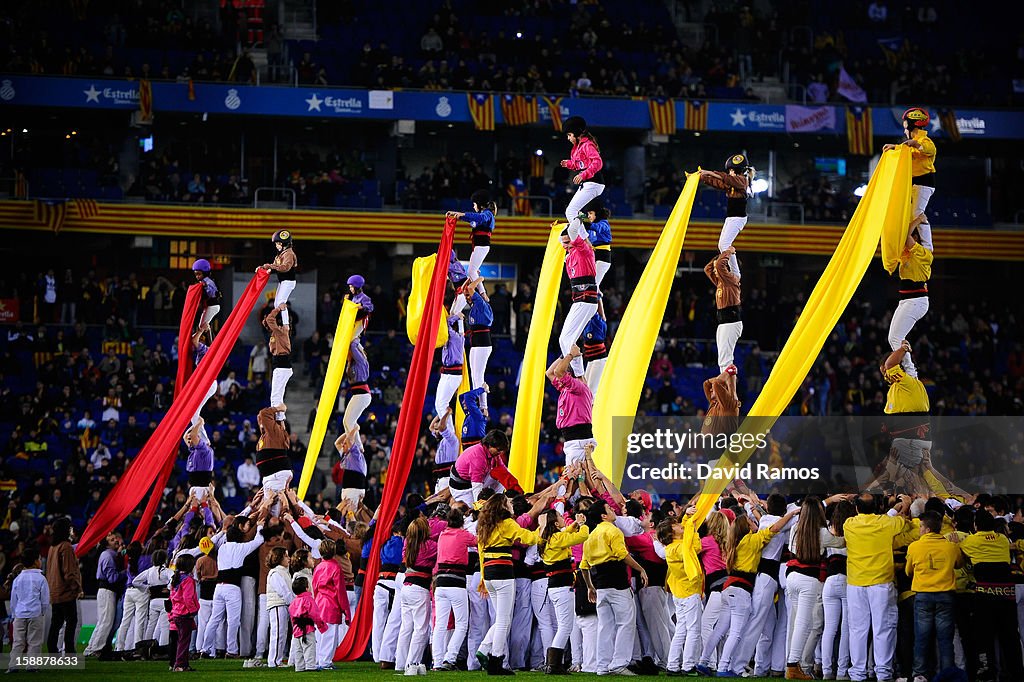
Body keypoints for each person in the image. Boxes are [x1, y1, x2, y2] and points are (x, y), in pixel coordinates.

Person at [697, 505, 800, 677]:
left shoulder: (734, 543)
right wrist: (791, 514)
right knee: (736, 632)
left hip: (727, 588)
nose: (754, 523)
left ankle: (703, 661)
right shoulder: (751, 541)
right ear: (746, 528)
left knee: (719, 629)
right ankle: (723, 667)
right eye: (751, 522)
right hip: (741, 590)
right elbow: (774, 528)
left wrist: (759, 513)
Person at [842, 493, 912, 682]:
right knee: (884, 628)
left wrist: (896, 509)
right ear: (876, 508)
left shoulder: (849, 524)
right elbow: (902, 521)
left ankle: (857, 673)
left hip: (856, 583)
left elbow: (890, 518)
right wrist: (905, 505)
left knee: (857, 629)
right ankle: (883, 673)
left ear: (857, 509)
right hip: (881, 583)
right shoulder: (886, 523)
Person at [580, 498, 649, 676]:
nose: (613, 511)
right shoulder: (613, 531)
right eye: (609, 509)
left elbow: (584, 566)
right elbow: (622, 555)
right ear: (604, 516)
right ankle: (619, 664)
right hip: (617, 583)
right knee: (626, 623)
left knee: (605, 626)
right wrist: (640, 569)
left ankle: (602, 666)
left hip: (600, 585)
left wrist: (589, 587)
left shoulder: (590, 536)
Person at [475, 493, 543, 675]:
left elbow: (481, 553)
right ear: (503, 506)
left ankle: (484, 649)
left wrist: (483, 578)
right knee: (505, 620)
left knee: (500, 618)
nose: (512, 504)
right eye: (509, 502)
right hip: (503, 571)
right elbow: (528, 538)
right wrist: (542, 529)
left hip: (489, 573)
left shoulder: (483, 526)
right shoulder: (507, 523)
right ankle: (496, 661)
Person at [956, 509, 1023, 680]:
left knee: (984, 637)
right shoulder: (1002, 539)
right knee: (1010, 637)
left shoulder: (970, 541)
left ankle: (987, 673)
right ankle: (1016, 673)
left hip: (985, 596)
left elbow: (959, 561)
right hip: (1007, 595)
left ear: (975, 525)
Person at [785, 496, 847, 679]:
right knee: (805, 624)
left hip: (791, 577)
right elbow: (841, 543)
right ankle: (792, 666)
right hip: (808, 580)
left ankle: (792, 663)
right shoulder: (822, 533)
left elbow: (791, 548)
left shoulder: (796, 528)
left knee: (796, 623)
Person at [203, 498, 269, 658]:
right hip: (232, 588)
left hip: (218, 588)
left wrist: (221, 532)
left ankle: (205, 649)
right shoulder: (241, 547)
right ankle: (231, 651)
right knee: (234, 621)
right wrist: (260, 525)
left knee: (214, 620)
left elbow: (205, 545)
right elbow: (259, 540)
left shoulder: (222, 547)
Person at [904, 510, 962, 682]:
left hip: (923, 596)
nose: (920, 529)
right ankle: (947, 675)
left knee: (921, 638)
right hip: (946, 595)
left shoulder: (915, 547)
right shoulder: (951, 546)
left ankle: (919, 675)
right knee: (945, 640)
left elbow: (908, 571)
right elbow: (959, 564)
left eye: (921, 526)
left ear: (927, 529)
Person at [539, 509, 589, 674]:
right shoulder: (557, 538)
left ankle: (552, 664)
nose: (563, 519)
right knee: (565, 627)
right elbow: (582, 537)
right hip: (562, 587)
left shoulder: (548, 538)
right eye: (561, 517)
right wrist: (582, 525)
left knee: (563, 625)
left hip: (556, 587)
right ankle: (553, 665)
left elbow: (566, 532)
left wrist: (574, 524)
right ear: (555, 523)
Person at [882, 107, 936, 252]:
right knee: (911, 214)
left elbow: (929, 149)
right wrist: (895, 147)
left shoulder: (924, 141)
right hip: (915, 183)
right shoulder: (912, 143)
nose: (904, 131)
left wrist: (915, 144)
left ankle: (927, 247)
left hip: (924, 182)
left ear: (911, 126)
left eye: (905, 126)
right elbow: (907, 151)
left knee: (917, 214)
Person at [655, 516, 703, 676]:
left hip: (680, 593)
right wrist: (690, 525)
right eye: (676, 524)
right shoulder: (677, 548)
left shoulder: (672, 548)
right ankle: (688, 666)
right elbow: (692, 549)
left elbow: (696, 547)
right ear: (670, 532)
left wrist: (692, 528)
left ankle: (673, 665)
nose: (680, 525)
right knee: (693, 629)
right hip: (689, 592)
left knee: (681, 629)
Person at [432, 506, 478, 671]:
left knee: (440, 625)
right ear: (461, 522)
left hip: (441, 584)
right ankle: (449, 658)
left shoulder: (442, 535)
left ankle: (437, 662)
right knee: (461, 624)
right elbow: (478, 541)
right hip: (457, 583)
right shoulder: (463, 534)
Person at [697, 155, 755, 278]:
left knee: (724, 244)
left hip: (738, 218)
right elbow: (719, 183)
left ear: (735, 171)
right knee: (721, 245)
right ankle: (734, 271)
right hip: (731, 218)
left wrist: (708, 172)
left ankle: (735, 273)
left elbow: (725, 178)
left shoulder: (742, 181)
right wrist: (701, 177)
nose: (729, 172)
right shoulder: (733, 183)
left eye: (730, 170)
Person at [395, 517, 438, 676]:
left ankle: (400, 663)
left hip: (406, 587)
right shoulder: (430, 546)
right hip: (420, 588)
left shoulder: (407, 543)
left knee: (406, 627)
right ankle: (411, 663)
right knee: (421, 629)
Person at [888, 227, 932, 378]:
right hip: (906, 301)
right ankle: (910, 370)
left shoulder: (924, 254)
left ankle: (911, 373)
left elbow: (905, 235)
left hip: (917, 301)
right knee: (892, 337)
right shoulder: (906, 254)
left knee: (895, 337)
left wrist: (917, 220)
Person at [559, 217, 599, 378]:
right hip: (580, 301)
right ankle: (578, 375)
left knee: (567, 339)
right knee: (564, 340)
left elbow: (574, 232)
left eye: (568, 242)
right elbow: (564, 239)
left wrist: (575, 217)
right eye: (563, 243)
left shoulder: (584, 250)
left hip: (586, 301)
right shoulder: (568, 257)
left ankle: (579, 376)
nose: (566, 246)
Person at [821, 500, 856, 681]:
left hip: (829, 581)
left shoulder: (827, 529)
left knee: (829, 629)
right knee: (846, 629)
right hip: (847, 579)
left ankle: (827, 671)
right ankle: (842, 671)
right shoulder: (854, 530)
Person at [545, 345, 595, 467]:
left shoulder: (578, 387)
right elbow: (549, 373)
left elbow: (557, 372)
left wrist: (570, 355)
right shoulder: (566, 388)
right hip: (574, 439)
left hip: (578, 439)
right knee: (576, 477)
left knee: (575, 478)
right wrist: (564, 354)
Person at [559, 116, 605, 242]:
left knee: (570, 211)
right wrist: (568, 164)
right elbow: (579, 164)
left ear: (576, 133)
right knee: (576, 212)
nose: (568, 138)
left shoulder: (587, 145)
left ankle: (585, 240)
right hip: (588, 184)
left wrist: (583, 174)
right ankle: (587, 230)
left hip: (594, 183)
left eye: (569, 135)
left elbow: (598, 162)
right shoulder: (578, 147)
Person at [449, 430, 521, 506]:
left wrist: (517, 492)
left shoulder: (494, 453)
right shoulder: (478, 457)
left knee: (501, 474)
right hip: (462, 488)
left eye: (502, 451)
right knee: (471, 512)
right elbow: (477, 486)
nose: (501, 453)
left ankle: (498, 501)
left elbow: (504, 472)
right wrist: (479, 506)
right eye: (499, 450)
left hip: (474, 480)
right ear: (489, 445)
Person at [84, 532, 126, 658]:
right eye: (112, 540)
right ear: (107, 544)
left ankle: (91, 647)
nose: (116, 541)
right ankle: (96, 649)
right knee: (106, 622)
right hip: (107, 590)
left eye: (115, 538)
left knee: (102, 621)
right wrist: (125, 572)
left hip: (105, 591)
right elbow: (112, 578)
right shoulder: (108, 555)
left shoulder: (108, 554)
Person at [448, 190, 497, 296]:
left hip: (482, 246)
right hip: (480, 247)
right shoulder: (483, 215)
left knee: (471, 272)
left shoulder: (487, 214)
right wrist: (458, 215)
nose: (474, 207)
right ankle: (482, 293)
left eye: (474, 204)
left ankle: (483, 293)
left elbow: (478, 218)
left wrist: (461, 214)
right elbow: (472, 219)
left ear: (480, 204)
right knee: (472, 272)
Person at [311, 538, 349, 671]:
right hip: (331, 605)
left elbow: (314, 587)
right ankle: (325, 662)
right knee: (330, 635)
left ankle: (316, 660)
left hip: (319, 603)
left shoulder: (318, 567)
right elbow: (341, 592)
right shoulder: (336, 568)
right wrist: (346, 611)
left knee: (319, 635)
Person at [8, 548, 48, 671]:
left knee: (18, 642)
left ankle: (13, 665)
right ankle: (32, 665)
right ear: (36, 561)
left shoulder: (18, 579)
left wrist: (14, 613)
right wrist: (42, 612)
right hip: (35, 613)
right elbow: (45, 599)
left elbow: (13, 599)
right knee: (34, 641)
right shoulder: (41, 578)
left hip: (19, 614)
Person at [46, 517, 82, 655]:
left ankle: (52, 651)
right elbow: (69, 572)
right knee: (71, 622)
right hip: (66, 592)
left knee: (56, 623)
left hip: (54, 591)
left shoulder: (52, 547)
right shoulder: (66, 546)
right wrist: (76, 587)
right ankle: (69, 652)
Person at [705, 247, 743, 373]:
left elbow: (720, 266)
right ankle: (725, 379)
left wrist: (727, 251)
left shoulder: (730, 280)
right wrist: (718, 258)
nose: (715, 271)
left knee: (726, 358)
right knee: (722, 357)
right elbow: (707, 269)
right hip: (724, 322)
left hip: (731, 322)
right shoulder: (721, 282)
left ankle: (729, 383)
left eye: (718, 268)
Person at [466, 278, 494, 414]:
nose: (467, 296)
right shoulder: (474, 307)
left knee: (478, 375)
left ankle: (483, 406)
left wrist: (479, 278)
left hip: (483, 344)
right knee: (474, 375)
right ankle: (479, 404)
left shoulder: (481, 304)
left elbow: (471, 288)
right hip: (476, 343)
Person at [259, 230, 298, 329]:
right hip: (283, 281)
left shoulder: (288, 254)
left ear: (283, 244)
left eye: (278, 243)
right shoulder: (281, 254)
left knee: (280, 302)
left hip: (288, 281)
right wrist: (265, 269)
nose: (276, 245)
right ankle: (277, 321)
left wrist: (270, 267)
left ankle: (286, 325)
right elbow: (274, 266)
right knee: (277, 303)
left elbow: (285, 267)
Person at [255, 404, 292, 505]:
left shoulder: (275, 433)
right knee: (270, 508)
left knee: (275, 510)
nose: (261, 423)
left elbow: (264, 413)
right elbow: (260, 416)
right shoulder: (266, 436)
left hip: (276, 474)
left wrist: (279, 409)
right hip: (272, 476)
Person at [169, 553, 199, 672]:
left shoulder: (175, 579)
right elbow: (188, 598)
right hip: (184, 613)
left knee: (181, 639)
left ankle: (182, 664)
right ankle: (180, 664)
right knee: (184, 640)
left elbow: (172, 597)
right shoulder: (188, 580)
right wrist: (193, 610)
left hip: (176, 613)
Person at [288, 576, 325, 673]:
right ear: (307, 588)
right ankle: (310, 666)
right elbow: (315, 614)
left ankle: (299, 667)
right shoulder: (308, 600)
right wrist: (321, 626)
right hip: (307, 628)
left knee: (298, 650)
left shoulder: (293, 602)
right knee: (309, 648)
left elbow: (292, 617)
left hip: (296, 630)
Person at [263, 303, 293, 418]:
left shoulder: (280, 332)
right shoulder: (275, 334)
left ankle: (278, 419)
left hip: (282, 365)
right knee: (277, 396)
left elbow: (270, 319)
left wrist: (278, 309)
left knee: (275, 396)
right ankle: (280, 418)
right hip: (280, 366)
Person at [265, 546, 293, 668]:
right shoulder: (275, 573)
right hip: (277, 605)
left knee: (282, 632)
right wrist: (292, 603)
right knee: (277, 633)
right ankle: (274, 661)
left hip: (283, 605)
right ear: (279, 558)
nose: (289, 558)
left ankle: (277, 659)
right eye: (286, 556)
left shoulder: (284, 572)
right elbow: (283, 591)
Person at [434, 312, 466, 418]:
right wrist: (458, 318)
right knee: (438, 404)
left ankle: (448, 432)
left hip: (453, 375)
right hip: (447, 373)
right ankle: (447, 432)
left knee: (443, 404)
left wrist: (456, 316)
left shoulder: (455, 337)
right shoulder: (452, 338)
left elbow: (445, 324)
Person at [190, 324, 218, 428]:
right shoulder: (208, 351)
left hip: (207, 383)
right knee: (193, 411)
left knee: (193, 411)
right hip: (207, 383)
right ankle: (202, 437)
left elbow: (194, 340)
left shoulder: (204, 349)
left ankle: (202, 438)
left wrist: (201, 330)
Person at [334, 425, 367, 507]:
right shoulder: (346, 454)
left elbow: (349, 439)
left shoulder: (355, 454)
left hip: (354, 489)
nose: (342, 445)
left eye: (345, 444)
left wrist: (354, 429)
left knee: (351, 516)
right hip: (348, 489)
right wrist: (347, 432)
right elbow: (337, 443)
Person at [343, 337, 371, 431]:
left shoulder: (361, 360)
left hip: (362, 394)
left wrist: (355, 336)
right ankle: (357, 444)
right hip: (358, 395)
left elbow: (353, 345)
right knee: (346, 421)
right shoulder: (351, 363)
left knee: (349, 422)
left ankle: (355, 445)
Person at [184, 418, 215, 501]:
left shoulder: (204, 449)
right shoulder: (194, 449)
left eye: (191, 439)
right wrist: (195, 425)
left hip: (202, 486)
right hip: (195, 485)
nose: (189, 441)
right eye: (189, 440)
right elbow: (185, 436)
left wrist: (199, 423)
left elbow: (193, 435)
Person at [584, 198, 612, 289]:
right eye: (588, 214)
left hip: (603, 258)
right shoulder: (590, 227)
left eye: (591, 213)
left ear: (597, 214)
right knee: (593, 285)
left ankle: (593, 302)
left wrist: (581, 222)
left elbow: (597, 228)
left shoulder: (604, 223)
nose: (588, 216)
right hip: (594, 256)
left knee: (593, 285)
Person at [430, 408, 459, 492]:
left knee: (442, 504)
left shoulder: (451, 439)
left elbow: (441, 427)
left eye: (437, 428)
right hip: (440, 478)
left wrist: (447, 414)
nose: (435, 431)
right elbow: (431, 427)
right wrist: (440, 414)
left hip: (447, 478)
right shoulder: (441, 438)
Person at [581, 305, 608, 395]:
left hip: (599, 360)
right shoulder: (588, 321)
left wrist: (598, 297)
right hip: (591, 360)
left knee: (592, 391)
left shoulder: (596, 322)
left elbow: (601, 314)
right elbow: (602, 315)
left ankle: (593, 409)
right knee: (585, 388)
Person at [192, 259, 221, 332]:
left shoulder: (208, 281)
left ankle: (210, 341)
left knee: (202, 326)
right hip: (210, 306)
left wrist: (205, 287)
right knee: (203, 325)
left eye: (199, 274)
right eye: (196, 274)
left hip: (213, 306)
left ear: (205, 273)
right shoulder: (204, 281)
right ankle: (210, 341)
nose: (197, 276)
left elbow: (212, 293)